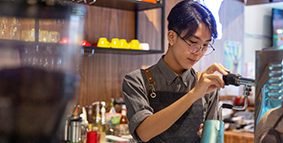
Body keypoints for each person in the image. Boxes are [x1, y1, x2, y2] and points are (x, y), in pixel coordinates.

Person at [122, 1, 230, 142]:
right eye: (193, 43)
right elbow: (144, 133)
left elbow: (213, 139)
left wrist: (209, 135)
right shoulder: (136, 80)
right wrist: (194, 94)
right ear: (171, 37)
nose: (198, 52)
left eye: (205, 45)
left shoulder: (206, 86)